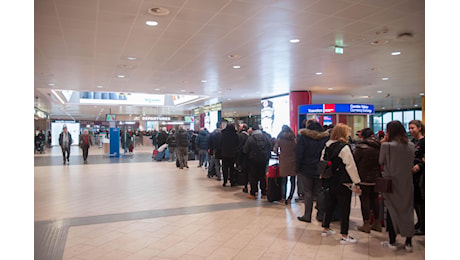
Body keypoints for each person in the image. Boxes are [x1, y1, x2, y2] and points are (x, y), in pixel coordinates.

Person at [320, 123, 361, 244]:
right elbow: (350, 165)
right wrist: (357, 181)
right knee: (344, 208)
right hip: (343, 181)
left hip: (330, 180)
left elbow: (322, 162)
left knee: (330, 205)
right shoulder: (344, 148)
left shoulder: (327, 146)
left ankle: (326, 228)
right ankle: (344, 235)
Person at [379, 120, 415, 252]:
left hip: (391, 183)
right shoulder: (411, 146)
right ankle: (409, 243)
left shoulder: (386, 146)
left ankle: (392, 241)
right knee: (407, 211)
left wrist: (384, 142)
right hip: (406, 182)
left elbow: (380, 161)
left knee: (391, 210)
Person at [295, 121, 329, 221]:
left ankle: (307, 215)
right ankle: (320, 215)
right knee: (319, 192)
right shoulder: (325, 139)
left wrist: (297, 167)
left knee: (308, 192)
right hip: (320, 168)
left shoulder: (303, 138)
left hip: (306, 167)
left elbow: (299, 154)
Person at [353, 128, 382, 233]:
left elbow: (354, 160)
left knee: (365, 199)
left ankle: (366, 224)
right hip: (377, 177)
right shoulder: (379, 146)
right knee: (375, 198)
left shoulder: (361, 147)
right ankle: (377, 223)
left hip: (364, 177)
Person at [243, 124, 272, 200]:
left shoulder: (250, 138)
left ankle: (253, 193)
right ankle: (264, 193)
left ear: (252, 130)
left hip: (253, 160)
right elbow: (270, 146)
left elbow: (245, 150)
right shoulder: (265, 137)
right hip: (263, 160)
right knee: (262, 176)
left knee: (253, 176)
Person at [273, 125, 297, 205]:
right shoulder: (294, 139)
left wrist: (280, 154)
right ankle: (290, 198)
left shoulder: (280, 139)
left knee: (284, 181)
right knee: (293, 180)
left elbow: (275, 149)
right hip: (293, 161)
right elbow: (297, 149)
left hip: (283, 161)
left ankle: (283, 198)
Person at [408, 119, 425, 236]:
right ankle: (419, 222)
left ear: (419, 128)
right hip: (412, 174)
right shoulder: (413, 141)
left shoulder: (425, 142)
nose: (411, 130)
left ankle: (424, 225)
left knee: (421, 200)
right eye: (409, 128)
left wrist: (420, 165)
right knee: (415, 200)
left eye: (413, 128)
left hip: (422, 175)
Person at [236, 124, 250, 193]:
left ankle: (244, 184)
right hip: (249, 157)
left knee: (244, 171)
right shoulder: (249, 136)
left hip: (242, 156)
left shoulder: (239, 136)